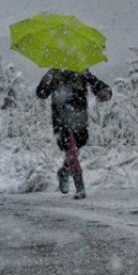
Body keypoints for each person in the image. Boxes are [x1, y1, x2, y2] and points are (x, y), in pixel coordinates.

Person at [36, 68, 112, 199]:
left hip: (79, 118)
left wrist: (103, 91)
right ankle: (80, 187)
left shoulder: (82, 71)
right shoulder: (53, 73)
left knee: (76, 147)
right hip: (61, 119)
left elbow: (95, 83)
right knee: (71, 148)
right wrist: (46, 81)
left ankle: (64, 171)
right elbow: (42, 93)